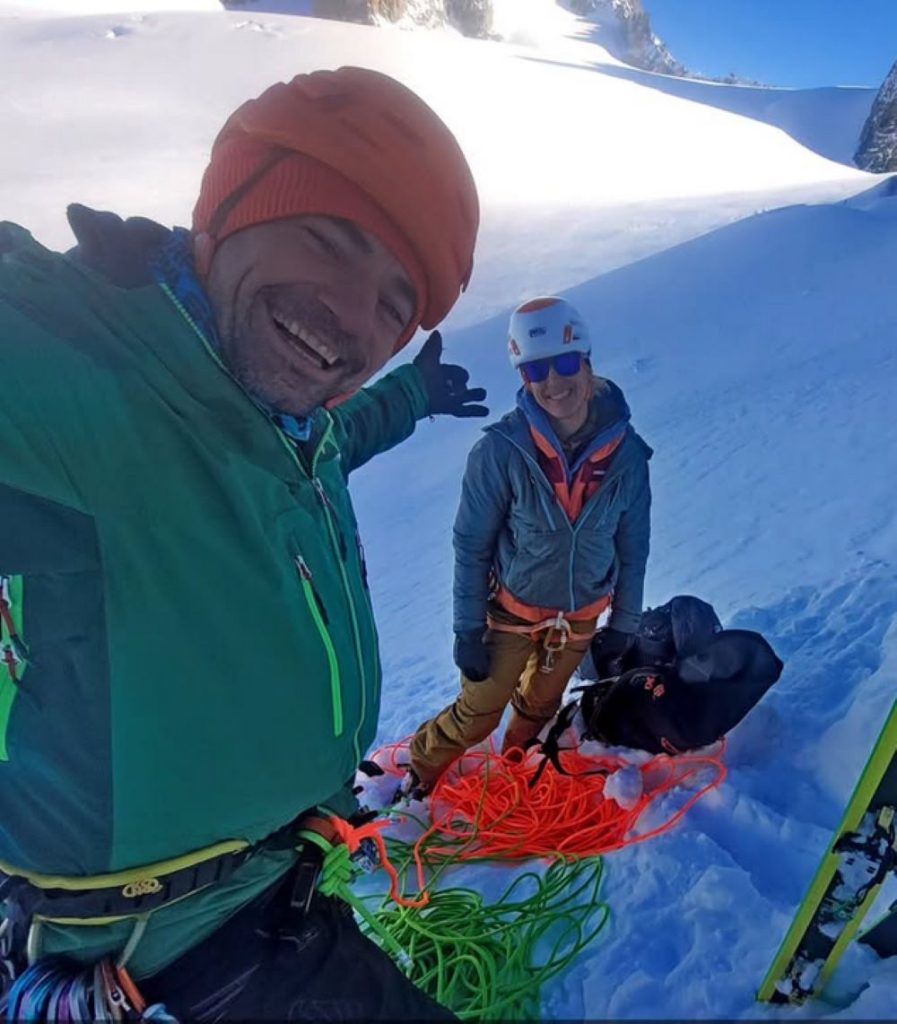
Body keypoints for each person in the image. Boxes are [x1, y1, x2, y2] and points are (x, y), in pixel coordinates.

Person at [0, 67, 486, 1020]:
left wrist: (411, 397)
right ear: (225, 214)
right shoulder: (86, 393)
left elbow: (340, 438)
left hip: (271, 889)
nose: (355, 316)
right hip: (162, 951)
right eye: (330, 240)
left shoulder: (288, 428)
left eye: (396, 302)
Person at [407, 296, 651, 795]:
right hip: (510, 615)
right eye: (537, 370)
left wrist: (623, 624)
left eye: (565, 364)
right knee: (478, 712)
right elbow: (471, 545)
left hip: (580, 617)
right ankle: (418, 775)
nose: (553, 382)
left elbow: (633, 546)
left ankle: (515, 770)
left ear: (587, 362)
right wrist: (467, 629)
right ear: (523, 377)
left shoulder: (628, 455)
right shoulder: (500, 451)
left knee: (540, 706)